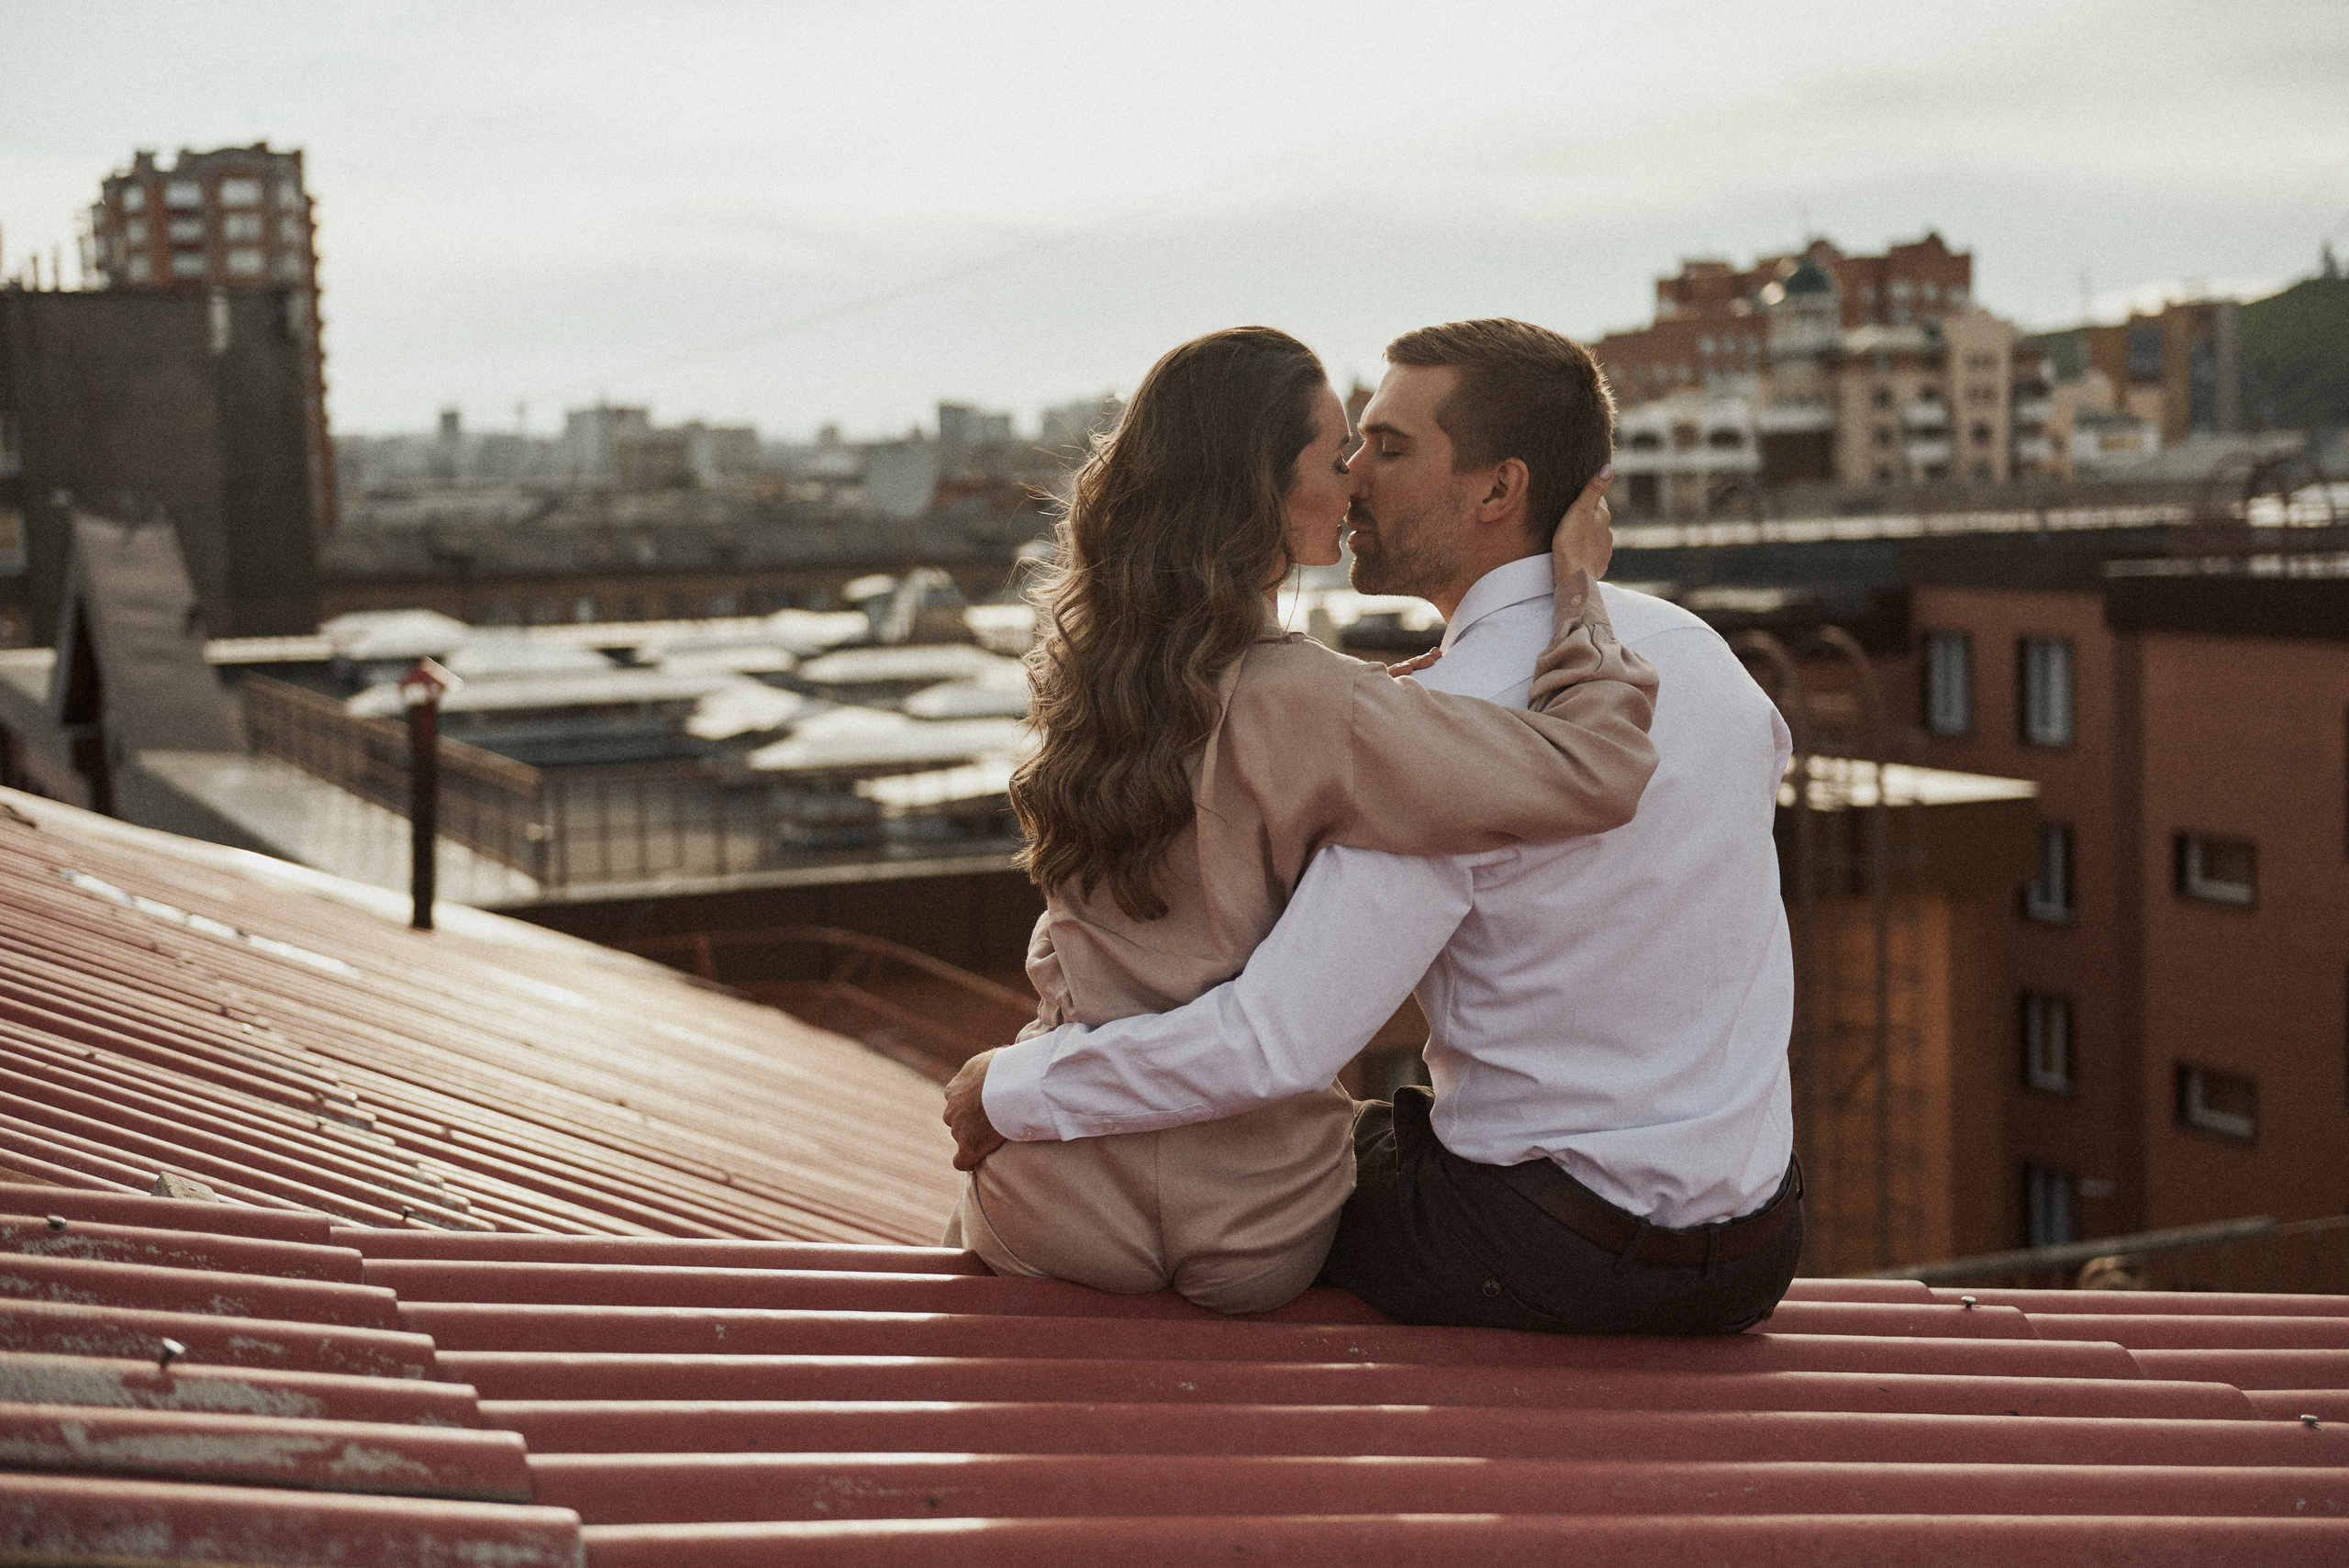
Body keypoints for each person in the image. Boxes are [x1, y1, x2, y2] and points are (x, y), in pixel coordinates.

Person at [949, 318, 1800, 1335]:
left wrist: (1011, 1087)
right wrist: (1575, 595)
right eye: (1348, 446)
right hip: (1756, 1243)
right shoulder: (1700, 656)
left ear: (1497, 490)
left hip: (1542, 1247)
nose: (1355, 475)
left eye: (1388, 447)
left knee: (1276, 1169)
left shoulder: (1423, 743)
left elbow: (1276, 1042)